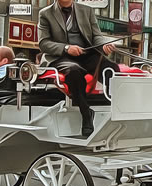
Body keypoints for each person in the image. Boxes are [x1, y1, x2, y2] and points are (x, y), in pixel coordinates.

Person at [38, 0, 119, 137]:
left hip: (86, 54)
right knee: (74, 71)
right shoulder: (45, 14)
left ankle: (116, 106)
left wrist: (103, 46)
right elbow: (43, 43)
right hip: (61, 57)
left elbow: (97, 36)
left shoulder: (87, 11)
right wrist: (66, 48)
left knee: (110, 68)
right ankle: (86, 113)